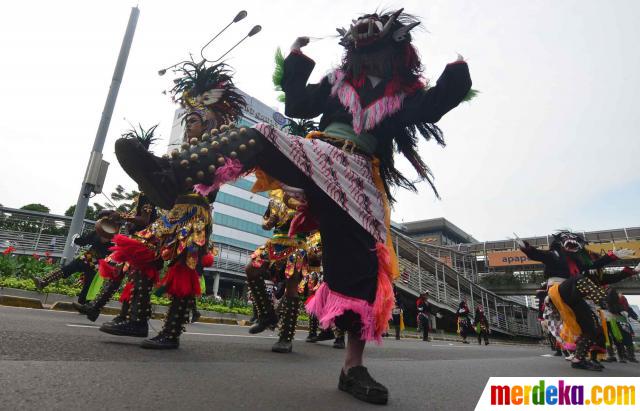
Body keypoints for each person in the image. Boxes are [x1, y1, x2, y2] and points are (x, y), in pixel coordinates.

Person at [114, 9, 471, 404]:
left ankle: (353, 367)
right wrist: (298, 60)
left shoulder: (402, 94)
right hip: (317, 154)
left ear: (394, 50)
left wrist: (456, 73)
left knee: (362, 269)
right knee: (259, 134)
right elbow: (299, 106)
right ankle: (171, 175)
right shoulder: (337, 82)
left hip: (358, 179)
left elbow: (433, 106)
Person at [246, 189, 308, 353]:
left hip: (296, 243)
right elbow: (266, 223)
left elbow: (311, 221)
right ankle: (267, 315)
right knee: (251, 269)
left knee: (291, 286)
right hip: (275, 242)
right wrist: (270, 219)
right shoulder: (275, 193)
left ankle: (285, 338)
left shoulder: (307, 192)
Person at [33, 213, 113, 305]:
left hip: (98, 263)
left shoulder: (113, 238)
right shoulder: (96, 233)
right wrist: (75, 238)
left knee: (89, 282)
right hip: (88, 257)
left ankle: (84, 303)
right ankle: (43, 282)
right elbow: (84, 241)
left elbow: (113, 252)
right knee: (67, 269)